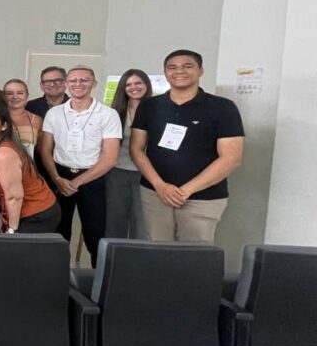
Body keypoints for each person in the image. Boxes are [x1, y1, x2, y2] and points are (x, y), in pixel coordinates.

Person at [131, 50, 244, 243]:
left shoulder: (223, 108)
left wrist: (186, 191)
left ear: (200, 71)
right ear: (165, 73)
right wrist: (159, 185)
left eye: (187, 66)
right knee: (156, 249)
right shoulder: (149, 106)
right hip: (155, 193)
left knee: (193, 254)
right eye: (172, 67)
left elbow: (231, 158)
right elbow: (136, 149)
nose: (179, 71)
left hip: (202, 197)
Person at [38, 66, 121, 266]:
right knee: (58, 234)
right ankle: (56, 277)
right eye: (73, 80)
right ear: (66, 84)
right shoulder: (54, 113)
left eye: (84, 80)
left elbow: (110, 158)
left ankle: (97, 280)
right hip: (59, 176)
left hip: (93, 178)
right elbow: (45, 150)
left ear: (94, 83)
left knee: (95, 235)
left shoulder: (108, 114)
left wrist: (76, 183)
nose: (78, 84)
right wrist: (57, 178)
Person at [0, 103, 61, 233]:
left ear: (4, 126)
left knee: (15, 246)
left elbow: (14, 197)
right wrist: (3, 214)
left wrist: (12, 229)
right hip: (22, 212)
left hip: (37, 214)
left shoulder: (4, 153)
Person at [106, 69, 152, 239]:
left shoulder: (157, 109)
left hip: (147, 173)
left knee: (142, 223)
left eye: (138, 83)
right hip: (117, 171)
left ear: (146, 84)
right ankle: (114, 254)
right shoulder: (114, 112)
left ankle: (138, 255)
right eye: (128, 85)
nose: (134, 87)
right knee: (115, 220)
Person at [2, 79, 43, 158]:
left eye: (20, 93)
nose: (15, 97)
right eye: (10, 93)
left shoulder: (37, 120)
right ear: (4, 96)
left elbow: (42, 151)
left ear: (27, 96)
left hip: (27, 164)